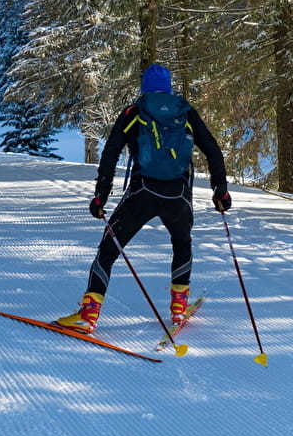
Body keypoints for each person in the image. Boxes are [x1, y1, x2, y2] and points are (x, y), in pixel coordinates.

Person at [56, 63, 230, 335]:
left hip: (142, 193)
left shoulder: (133, 112)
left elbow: (111, 153)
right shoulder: (185, 112)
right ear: (169, 86)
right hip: (178, 195)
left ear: (144, 87)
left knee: (108, 251)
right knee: (182, 244)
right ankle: (178, 307)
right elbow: (213, 150)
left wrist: (101, 195)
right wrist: (221, 190)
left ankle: (88, 315)